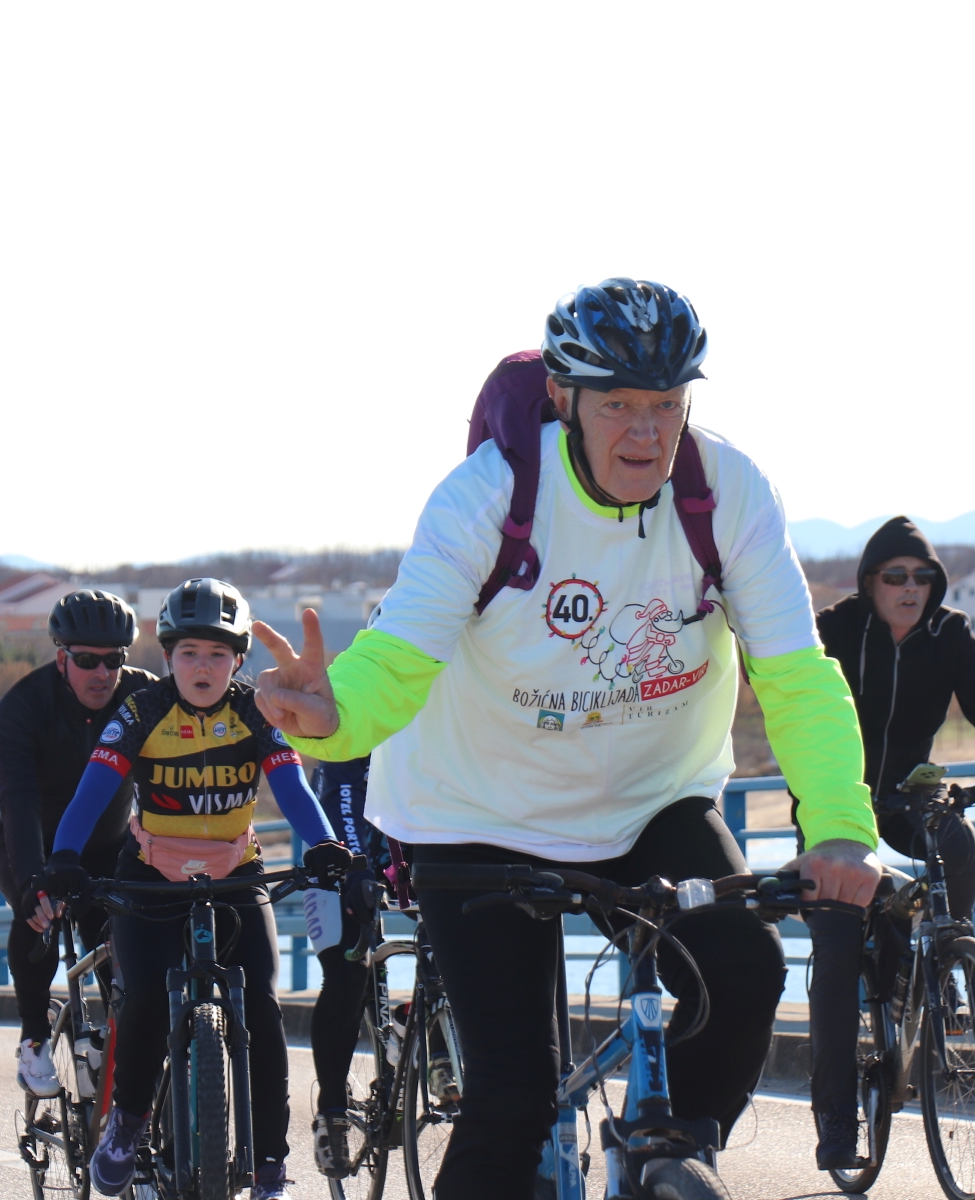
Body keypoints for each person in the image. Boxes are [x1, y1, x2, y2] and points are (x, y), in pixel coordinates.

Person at [253, 279, 883, 1197]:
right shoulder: (490, 496)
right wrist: (334, 714)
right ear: (563, 397)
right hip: (476, 812)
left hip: (651, 799)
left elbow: (796, 675)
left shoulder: (728, 492)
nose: (646, 432)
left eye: (666, 404)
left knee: (744, 970)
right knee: (513, 1099)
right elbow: (400, 653)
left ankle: (670, 1152)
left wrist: (839, 830)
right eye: (618, 404)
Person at [42, 578, 349, 1200]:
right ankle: (128, 1123)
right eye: (189, 654)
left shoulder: (254, 711)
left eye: (216, 654)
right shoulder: (141, 711)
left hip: (235, 871)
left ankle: (269, 1164)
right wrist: (65, 857)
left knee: (261, 1006)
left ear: (238, 660)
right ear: (167, 658)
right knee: (146, 1000)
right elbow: (91, 792)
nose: (202, 667)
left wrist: (323, 844)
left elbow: (292, 787)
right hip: (151, 874)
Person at [813, 516, 975, 922]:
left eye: (923, 577)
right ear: (870, 583)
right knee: (838, 933)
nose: (911, 587)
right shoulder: (833, 628)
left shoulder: (950, 632)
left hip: (908, 791)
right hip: (835, 792)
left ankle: (949, 945)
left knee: (960, 847)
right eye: (896, 577)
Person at [0, 589, 156, 1097]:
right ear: (61, 657)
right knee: (39, 913)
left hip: (109, 848)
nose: (102, 673)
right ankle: (34, 1037)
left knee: (125, 942)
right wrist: (30, 881)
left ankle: (124, 1044)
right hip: (31, 843)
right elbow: (17, 802)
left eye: (114, 660)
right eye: (87, 661)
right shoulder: (23, 706)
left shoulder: (144, 696)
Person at [304, 755, 393, 1177]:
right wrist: (357, 866)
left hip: (396, 863)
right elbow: (341, 799)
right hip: (336, 864)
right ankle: (333, 1112)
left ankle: (433, 1051)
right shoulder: (353, 739)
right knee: (346, 976)